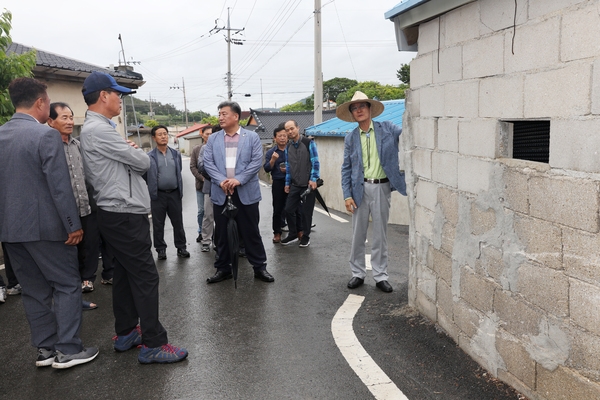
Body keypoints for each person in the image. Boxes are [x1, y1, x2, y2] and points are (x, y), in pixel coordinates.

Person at [79, 71, 187, 363]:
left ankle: (126, 333)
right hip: (123, 213)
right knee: (146, 277)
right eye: (118, 94)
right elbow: (143, 162)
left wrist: (130, 151)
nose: (120, 99)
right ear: (104, 96)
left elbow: (134, 162)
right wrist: (134, 152)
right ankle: (153, 343)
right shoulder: (100, 130)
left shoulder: (96, 129)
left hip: (116, 212)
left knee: (126, 275)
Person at [0, 77, 98, 368]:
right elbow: (59, 186)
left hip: (11, 231)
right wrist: (73, 224)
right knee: (67, 285)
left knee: (33, 290)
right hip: (48, 229)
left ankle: (45, 350)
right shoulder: (45, 136)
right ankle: (68, 349)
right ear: (41, 102)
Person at [339, 91, 407, 293]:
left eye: (362, 106)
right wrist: (347, 194)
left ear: (370, 109)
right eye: (354, 108)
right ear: (352, 113)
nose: (358, 110)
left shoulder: (387, 128)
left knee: (380, 234)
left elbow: (407, 133)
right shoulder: (351, 137)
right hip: (359, 189)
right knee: (358, 234)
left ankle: (380, 275)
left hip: (382, 187)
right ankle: (357, 273)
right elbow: (346, 168)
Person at [203, 101, 274, 284]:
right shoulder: (214, 138)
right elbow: (208, 163)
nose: (220, 117)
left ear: (236, 116)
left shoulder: (251, 137)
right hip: (221, 192)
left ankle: (259, 267)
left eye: (224, 114)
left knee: (250, 231)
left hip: (245, 192)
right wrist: (221, 181)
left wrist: (238, 179)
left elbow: (256, 162)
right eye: (219, 114)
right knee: (222, 233)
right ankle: (223, 268)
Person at [47, 102, 95, 293]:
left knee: (88, 246)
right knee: (67, 250)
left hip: (84, 206)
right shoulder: (48, 147)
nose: (69, 122)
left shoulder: (78, 145)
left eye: (71, 117)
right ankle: (68, 284)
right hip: (62, 211)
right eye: (64, 117)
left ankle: (87, 279)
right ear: (50, 121)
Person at [146, 125, 190, 260]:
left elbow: (179, 171)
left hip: (174, 194)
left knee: (178, 222)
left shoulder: (175, 154)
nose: (163, 136)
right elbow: (145, 176)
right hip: (158, 195)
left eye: (165, 134)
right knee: (158, 224)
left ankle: (181, 247)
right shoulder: (149, 157)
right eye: (160, 134)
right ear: (154, 138)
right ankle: (160, 249)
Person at [280, 119, 320, 248]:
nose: (290, 131)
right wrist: (287, 183)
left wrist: (313, 179)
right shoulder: (288, 147)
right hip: (295, 184)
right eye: (287, 130)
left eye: (292, 128)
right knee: (288, 209)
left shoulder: (309, 143)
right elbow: (288, 166)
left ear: (298, 128)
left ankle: (305, 237)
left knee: (306, 213)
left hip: (308, 185)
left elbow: (315, 162)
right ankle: (293, 233)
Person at [263, 124, 290, 243]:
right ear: (275, 138)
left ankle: (298, 231)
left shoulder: (292, 149)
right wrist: (273, 160)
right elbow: (267, 169)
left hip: (292, 181)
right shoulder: (271, 152)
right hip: (278, 182)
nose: (283, 138)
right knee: (278, 208)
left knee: (294, 208)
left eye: (285, 135)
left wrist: (288, 169)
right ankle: (277, 233)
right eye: (280, 136)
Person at [190, 125, 213, 243]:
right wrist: (203, 179)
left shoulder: (217, 147)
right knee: (202, 211)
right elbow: (193, 167)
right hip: (201, 185)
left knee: (213, 212)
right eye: (207, 134)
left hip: (214, 185)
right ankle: (201, 231)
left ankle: (212, 233)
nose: (209, 136)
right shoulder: (197, 149)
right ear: (202, 135)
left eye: (211, 134)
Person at [198, 125, 217, 253]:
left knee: (223, 216)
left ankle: (219, 241)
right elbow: (201, 166)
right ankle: (206, 240)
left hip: (226, 187)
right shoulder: (204, 148)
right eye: (209, 134)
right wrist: (216, 176)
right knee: (208, 215)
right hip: (210, 186)